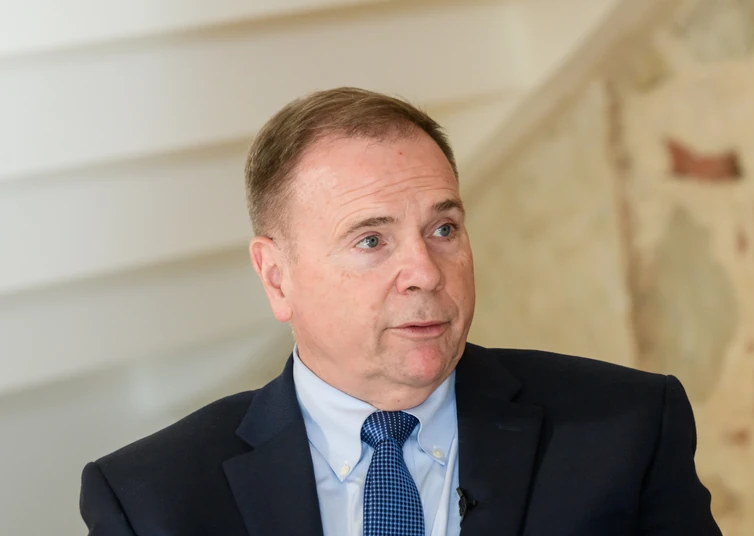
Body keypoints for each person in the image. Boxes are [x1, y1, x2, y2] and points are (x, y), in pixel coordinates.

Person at [79, 87, 721, 536]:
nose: (426, 272)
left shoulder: (628, 427)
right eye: (371, 240)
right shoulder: (152, 501)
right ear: (276, 277)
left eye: (443, 229)